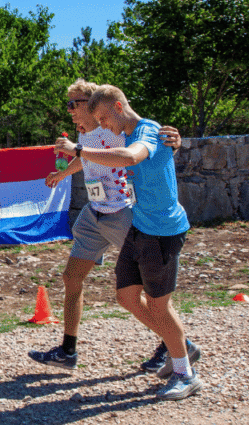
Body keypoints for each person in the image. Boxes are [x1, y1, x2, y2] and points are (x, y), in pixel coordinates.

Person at [54, 84, 202, 401]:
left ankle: (184, 372)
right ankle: (180, 350)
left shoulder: (146, 133)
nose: (104, 125)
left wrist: (77, 151)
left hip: (162, 230)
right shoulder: (133, 131)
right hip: (140, 226)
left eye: (106, 118)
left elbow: (129, 157)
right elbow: (137, 149)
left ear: (119, 108)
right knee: (126, 297)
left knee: (159, 304)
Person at [30, 79, 186, 372]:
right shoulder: (85, 135)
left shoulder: (114, 131)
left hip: (123, 214)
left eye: (74, 104)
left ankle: (174, 345)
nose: (70, 111)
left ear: (92, 105)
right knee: (71, 277)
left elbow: (144, 147)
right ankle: (68, 350)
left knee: (150, 293)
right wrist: (64, 174)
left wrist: (173, 141)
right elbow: (90, 160)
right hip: (95, 213)